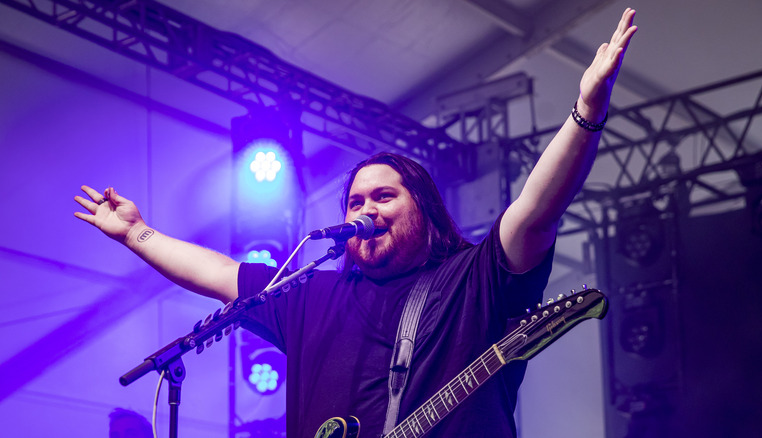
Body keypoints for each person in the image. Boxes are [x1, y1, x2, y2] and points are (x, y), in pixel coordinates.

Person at [76, 9, 637, 437]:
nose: (366, 209)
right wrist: (135, 234)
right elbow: (220, 272)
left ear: (425, 208)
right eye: (354, 202)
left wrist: (586, 112)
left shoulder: (472, 280)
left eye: (385, 196)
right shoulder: (310, 294)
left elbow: (536, 213)